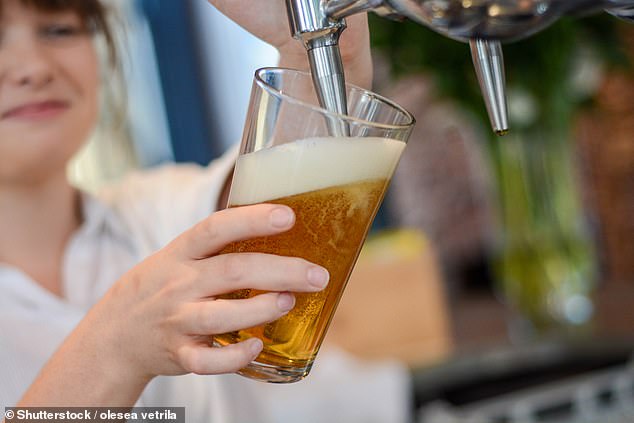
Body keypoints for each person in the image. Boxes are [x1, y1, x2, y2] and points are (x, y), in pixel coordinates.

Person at [0, 0, 411, 421]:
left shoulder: (156, 209)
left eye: (59, 30)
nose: (34, 67)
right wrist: (115, 346)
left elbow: (292, 201)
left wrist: (314, 45)